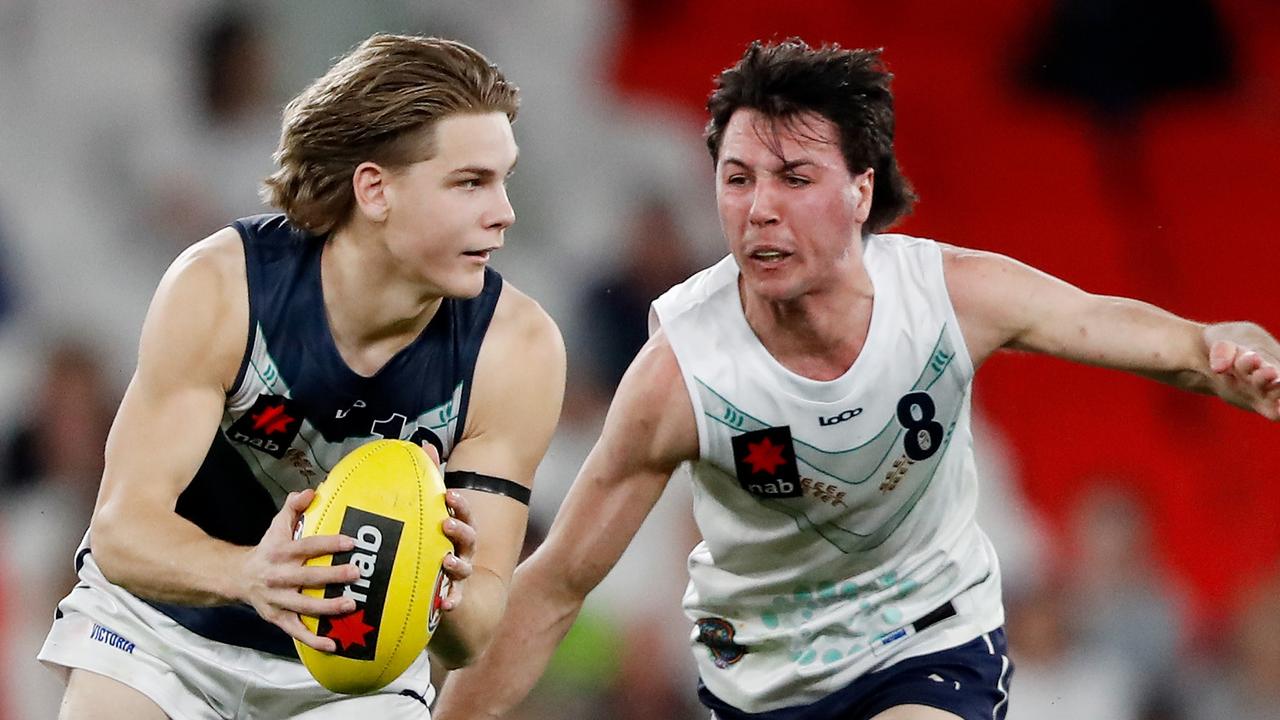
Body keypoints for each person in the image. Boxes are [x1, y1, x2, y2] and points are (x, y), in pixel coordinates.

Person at [433, 38, 1280, 720]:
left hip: (932, 641)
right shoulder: (680, 374)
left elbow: (1129, 329)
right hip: (764, 683)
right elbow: (559, 583)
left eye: (796, 178)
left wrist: (1222, 347)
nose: (760, 206)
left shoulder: (950, 295)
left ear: (860, 192)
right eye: (738, 179)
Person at [38, 34, 565, 719]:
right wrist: (249, 574)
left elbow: (474, 632)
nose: (504, 213)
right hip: (161, 635)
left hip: (352, 670)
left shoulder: (516, 350)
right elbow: (121, 529)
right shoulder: (224, 287)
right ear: (374, 189)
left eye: (504, 179)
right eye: (470, 182)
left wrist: (444, 590)